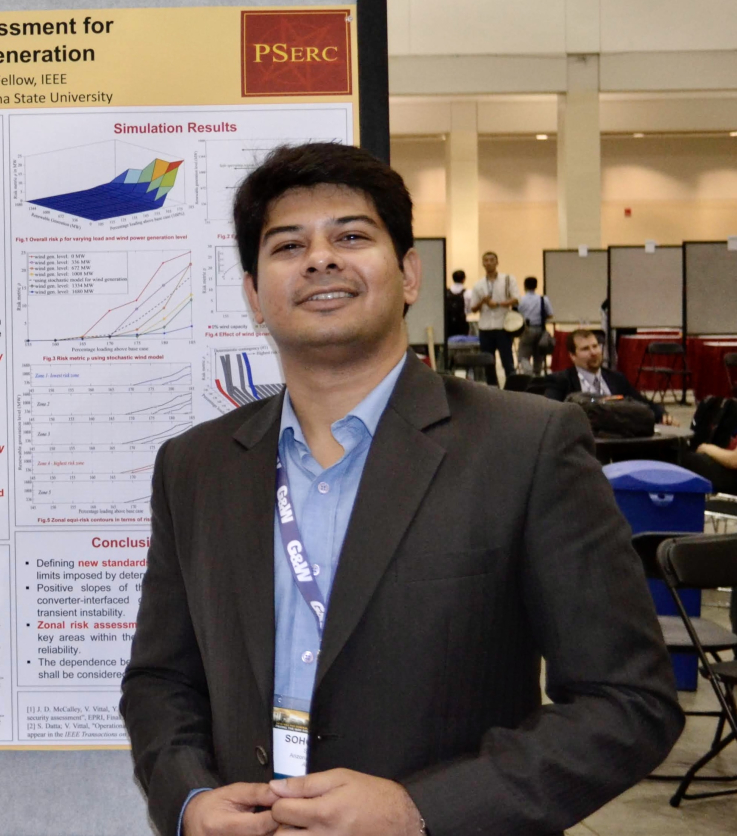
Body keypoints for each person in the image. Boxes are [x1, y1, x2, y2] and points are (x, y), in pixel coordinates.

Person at [120, 142, 682, 836]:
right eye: (288, 245)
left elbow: (628, 702)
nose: (320, 258)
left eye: (351, 236)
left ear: (410, 274)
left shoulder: (526, 447)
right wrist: (188, 801)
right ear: (254, 297)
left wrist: (423, 812)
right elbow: (159, 681)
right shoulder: (195, 466)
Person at [543, 329, 676, 425]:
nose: (593, 352)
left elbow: (643, 403)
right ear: (572, 356)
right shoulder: (560, 380)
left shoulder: (616, 378)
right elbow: (550, 414)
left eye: (595, 346)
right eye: (585, 349)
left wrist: (662, 414)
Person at [467, 251, 519, 386]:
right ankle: (492, 389)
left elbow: (516, 299)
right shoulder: (478, 285)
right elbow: (473, 308)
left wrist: (498, 304)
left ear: (497, 262)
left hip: (503, 326)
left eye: (491, 260)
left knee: (507, 361)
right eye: (486, 260)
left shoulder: (508, 279)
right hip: (485, 328)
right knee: (488, 362)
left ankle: (512, 389)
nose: (489, 263)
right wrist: (483, 301)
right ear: (482, 263)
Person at [516, 275, 553, 375]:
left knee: (523, 355)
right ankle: (537, 375)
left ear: (525, 286)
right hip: (540, 329)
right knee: (538, 355)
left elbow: (516, 316)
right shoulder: (543, 299)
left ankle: (528, 374)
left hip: (526, 329)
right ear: (536, 286)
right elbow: (550, 315)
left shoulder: (521, 300)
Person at [442, 269, 469, 340]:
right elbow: (469, 309)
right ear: (464, 279)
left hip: (448, 325)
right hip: (461, 324)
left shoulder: (445, 292)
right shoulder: (468, 293)